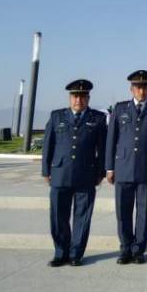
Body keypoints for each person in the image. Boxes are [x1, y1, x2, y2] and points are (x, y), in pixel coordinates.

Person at [42, 79, 107, 267]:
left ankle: (76, 254)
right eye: (75, 96)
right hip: (60, 173)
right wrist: (46, 170)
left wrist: (101, 172)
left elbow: (102, 149)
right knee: (58, 216)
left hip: (86, 174)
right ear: (70, 98)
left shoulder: (98, 118)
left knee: (82, 217)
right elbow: (48, 145)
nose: (78, 100)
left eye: (82, 96)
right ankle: (60, 252)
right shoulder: (57, 117)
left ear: (88, 98)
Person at [106, 70, 147, 264]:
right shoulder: (120, 108)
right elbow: (111, 140)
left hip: (146, 168)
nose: (141, 91)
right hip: (123, 167)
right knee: (123, 212)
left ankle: (139, 249)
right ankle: (125, 248)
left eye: (145, 87)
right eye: (138, 87)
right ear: (131, 89)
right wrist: (109, 167)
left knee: (143, 211)